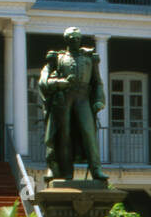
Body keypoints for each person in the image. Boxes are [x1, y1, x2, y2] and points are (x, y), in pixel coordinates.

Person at [38, 27, 108, 183]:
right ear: (66, 40)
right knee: (64, 136)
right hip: (65, 99)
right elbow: (44, 81)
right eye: (72, 38)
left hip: (83, 98)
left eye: (77, 38)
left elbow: (97, 82)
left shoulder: (89, 58)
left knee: (88, 133)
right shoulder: (59, 58)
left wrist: (99, 100)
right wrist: (59, 83)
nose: (75, 40)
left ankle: (96, 169)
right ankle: (66, 172)